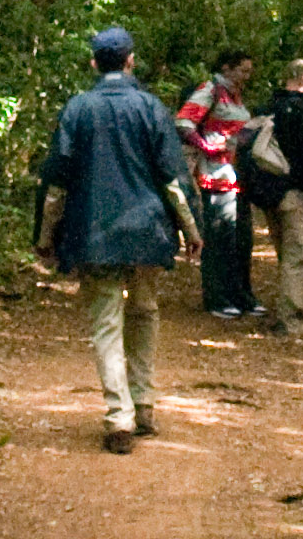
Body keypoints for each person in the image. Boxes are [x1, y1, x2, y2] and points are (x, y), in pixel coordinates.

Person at [40, 27, 197, 448]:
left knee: (106, 324)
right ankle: (143, 404)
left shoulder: (77, 109)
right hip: (147, 232)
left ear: (94, 63)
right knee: (145, 311)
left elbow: (57, 180)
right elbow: (172, 176)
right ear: (131, 61)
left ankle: (119, 418)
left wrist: (45, 234)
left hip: (94, 234)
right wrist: (191, 228)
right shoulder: (150, 108)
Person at [174, 51, 260, 318]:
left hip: (238, 174)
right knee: (220, 237)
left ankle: (242, 295)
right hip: (216, 176)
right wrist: (206, 146)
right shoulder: (210, 91)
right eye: (243, 70)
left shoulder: (235, 95)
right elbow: (184, 121)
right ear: (227, 68)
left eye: (249, 71)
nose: (247, 76)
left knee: (242, 238)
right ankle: (217, 298)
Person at [250, 58, 303, 332]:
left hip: (268, 193)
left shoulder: (267, 108)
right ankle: (292, 320)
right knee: (298, 255)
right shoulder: (301, 112)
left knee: (285, 252)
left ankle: (287, 311)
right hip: (293, 193)